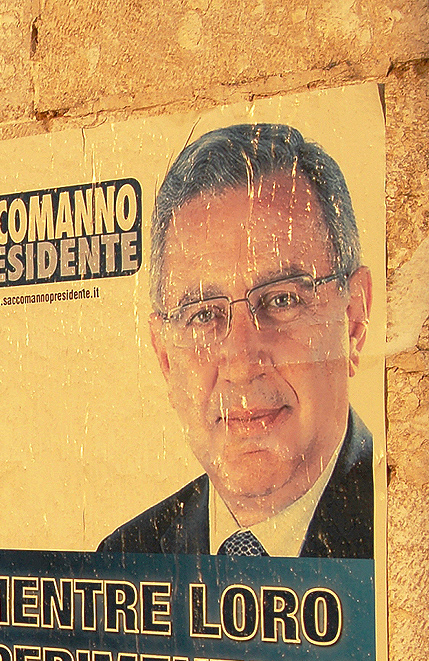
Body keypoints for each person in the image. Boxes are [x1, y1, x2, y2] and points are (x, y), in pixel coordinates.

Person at [97, 123, 374, 559]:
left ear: (353, 319)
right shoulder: (126, 557)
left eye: (282, 299)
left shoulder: (411, 529)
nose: (242, 363)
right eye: (203, 314)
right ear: (165, 357)